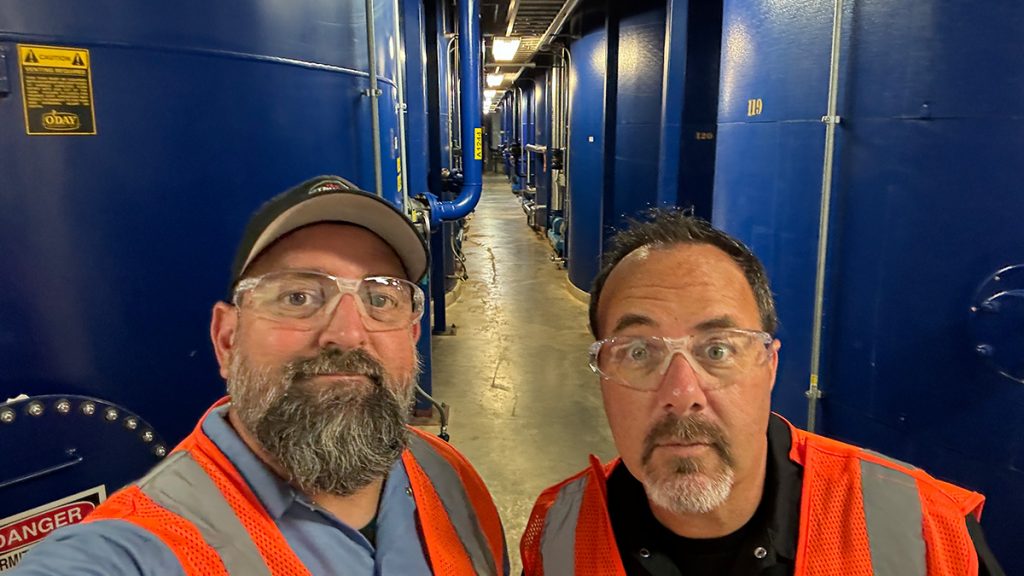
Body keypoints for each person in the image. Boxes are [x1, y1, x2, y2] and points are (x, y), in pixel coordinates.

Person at [12, 175, 508, 576]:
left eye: (380, 299)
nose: (348, 333)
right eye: (298, 296)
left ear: (412, 334)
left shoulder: (450, 476)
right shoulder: (138, 550)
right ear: (227, 339)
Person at [520, 210, 1003, 576]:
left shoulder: (925, 533)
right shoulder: (558, 535)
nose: (682, 392)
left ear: (769, 366)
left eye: (718, 349)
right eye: (639, 353)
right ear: (602, 375)